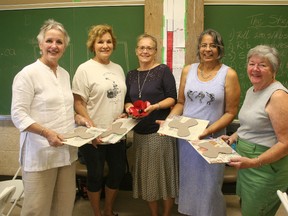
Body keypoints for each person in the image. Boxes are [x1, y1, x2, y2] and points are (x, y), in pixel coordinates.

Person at [11, 19, 89, 216]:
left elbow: (62, 109)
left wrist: (78, 118)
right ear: (40, 44)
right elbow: (18, 115)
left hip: (66, 153)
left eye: (59, 42)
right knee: (37, 210)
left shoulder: (63, 74)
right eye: (49, 41)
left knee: (63, 207)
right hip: (41, 155)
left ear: (65, 46)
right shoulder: (27, 74)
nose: (54, 46)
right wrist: (46, 133)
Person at [165, 29, 241, 216]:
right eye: (204, 45)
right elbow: (181, 102)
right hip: (187, 139)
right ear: (198, 48)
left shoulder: (228, 74)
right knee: (189, 182)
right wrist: (169, 121)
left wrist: (208, 131)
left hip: (213, 139)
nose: (208, 49)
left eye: (212, 45)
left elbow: (231, 112)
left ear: (219, 49)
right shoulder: (187, 70)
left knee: (210, 186)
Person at [221, 45, 288, 216]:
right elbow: (249, 125)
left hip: (264, 167)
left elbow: (285, 143)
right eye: (252, 64)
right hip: (247, 164)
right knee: (248, 208)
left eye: (262, 65)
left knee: (257, 211)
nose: (255, 69)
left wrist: (254, 162)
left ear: (274, 69)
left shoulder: (278, 96)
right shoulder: (253, 90)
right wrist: (233, 137)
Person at [72, 24, 127, 216]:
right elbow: (78, 102)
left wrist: (124, 114)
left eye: (109, 41)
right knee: (95, 175)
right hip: (93, 134)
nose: (105, 45)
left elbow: (119, 99)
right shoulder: (84, 69)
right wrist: (91, 129)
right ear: (93, 45)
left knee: (118, 172)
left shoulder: (118, 68)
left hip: (116, 134)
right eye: (100, 41)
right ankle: (97, 213)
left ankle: (108, 210)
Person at [124, 33, 178, 216]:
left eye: (149, 48)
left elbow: (173, 98)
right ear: (136, 50)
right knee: (148, 180)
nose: (145, 51)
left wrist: (155, 107)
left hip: (159, 133)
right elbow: (126, 100)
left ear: (155, 51)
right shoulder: (131, 75)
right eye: (142, 47)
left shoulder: (163, 70)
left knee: (164, 177)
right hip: (139, 134)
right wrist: (130, 107)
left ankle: (166, 214)